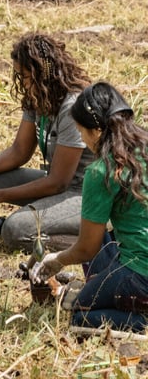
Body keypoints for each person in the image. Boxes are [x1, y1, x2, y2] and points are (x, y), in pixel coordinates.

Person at [0, 33, 93, 251]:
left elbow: (58, 182)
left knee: (14, 231)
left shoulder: (71, 107)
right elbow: (20, 150)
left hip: (86, 193)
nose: (20, 82)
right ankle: (49, 220)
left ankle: (95, 241)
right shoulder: (39, 98)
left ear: (42, 74)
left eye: (24, 75)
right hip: (60, 183)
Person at [32, 82, 148, 332]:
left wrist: (58, 259)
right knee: (104, 235)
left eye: (80, 132)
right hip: (137, 256)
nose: (83, 141)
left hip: (141, 272)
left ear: (96, 131)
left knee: (80, 314)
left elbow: (87, 248)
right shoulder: (143, 149)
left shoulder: (103, 171)